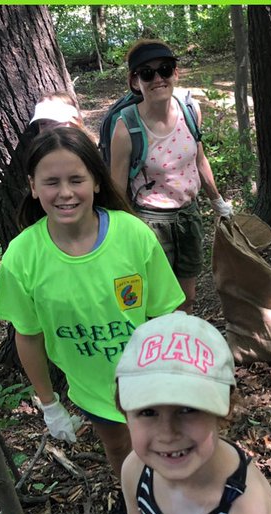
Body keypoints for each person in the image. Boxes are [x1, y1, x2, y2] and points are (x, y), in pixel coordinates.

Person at [0, 126, 184, 514]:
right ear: (32, 187)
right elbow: (27, 335)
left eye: (76, 179)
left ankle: (180, 508)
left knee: (167, 445)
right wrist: (48, 404)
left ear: (96, 182)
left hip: (150, 376)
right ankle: (137, 504)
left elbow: (166, 313)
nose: (65, 193)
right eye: (51, 182)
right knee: (118, 446)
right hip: (93, 387)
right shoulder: (21, 257)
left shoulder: (132, 235)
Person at [117, 312, 271, 514]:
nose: (167, 433)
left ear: (224, 408)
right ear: (125, 412)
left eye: (187, 409)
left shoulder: (245, 511)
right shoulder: (137, 472)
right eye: (148, 412)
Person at [108, 40, 232, 313]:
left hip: (189, 215)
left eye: (164, 69)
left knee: (187, 295)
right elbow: (116, 189)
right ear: (134, 81)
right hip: (151, 223)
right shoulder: (125, 127)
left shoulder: (190, 111)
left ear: (176, 73)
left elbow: (199, 159)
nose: (158, 79)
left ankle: (181, 345)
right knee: (157, 300)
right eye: (147, 73)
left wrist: (218, 202)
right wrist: (121, 235)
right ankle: (158, 350)